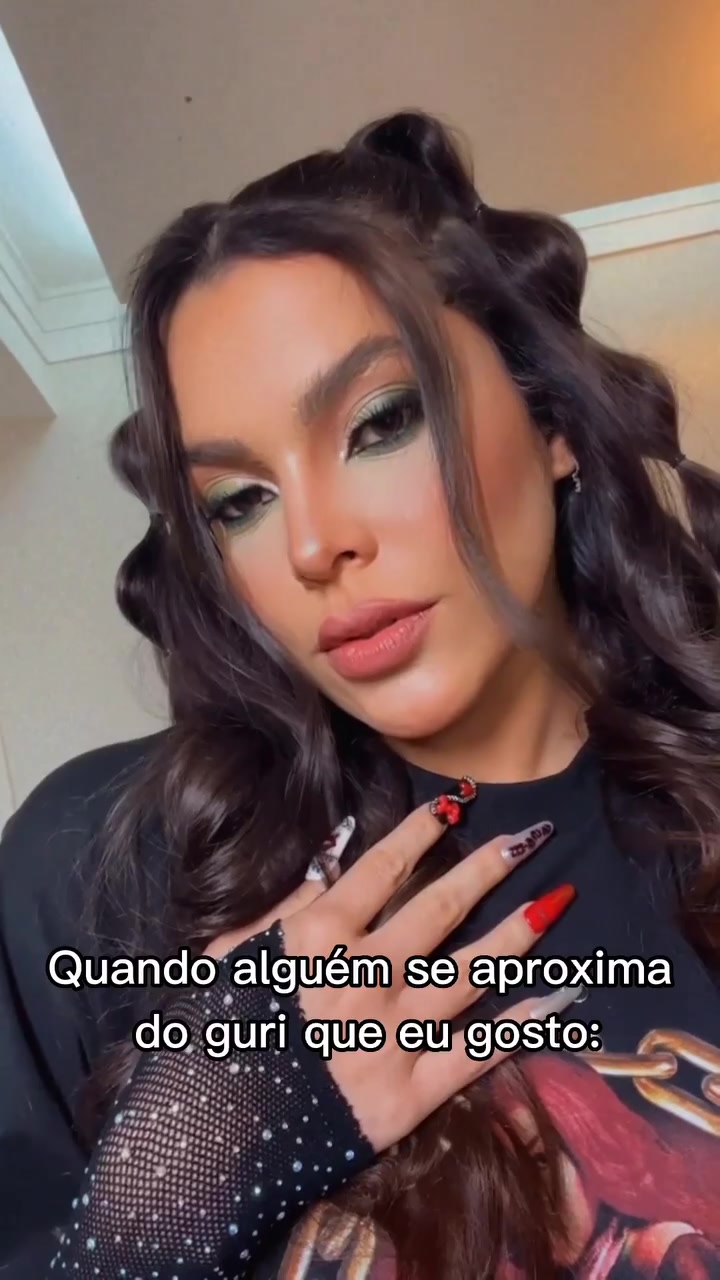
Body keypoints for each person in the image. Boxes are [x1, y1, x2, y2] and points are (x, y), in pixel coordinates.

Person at [0, 109, 719, 1280]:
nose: (312, 544)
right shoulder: (101, 863)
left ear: (551, 421)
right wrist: (169, 1186)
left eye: (380, 422)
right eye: (239, 501)